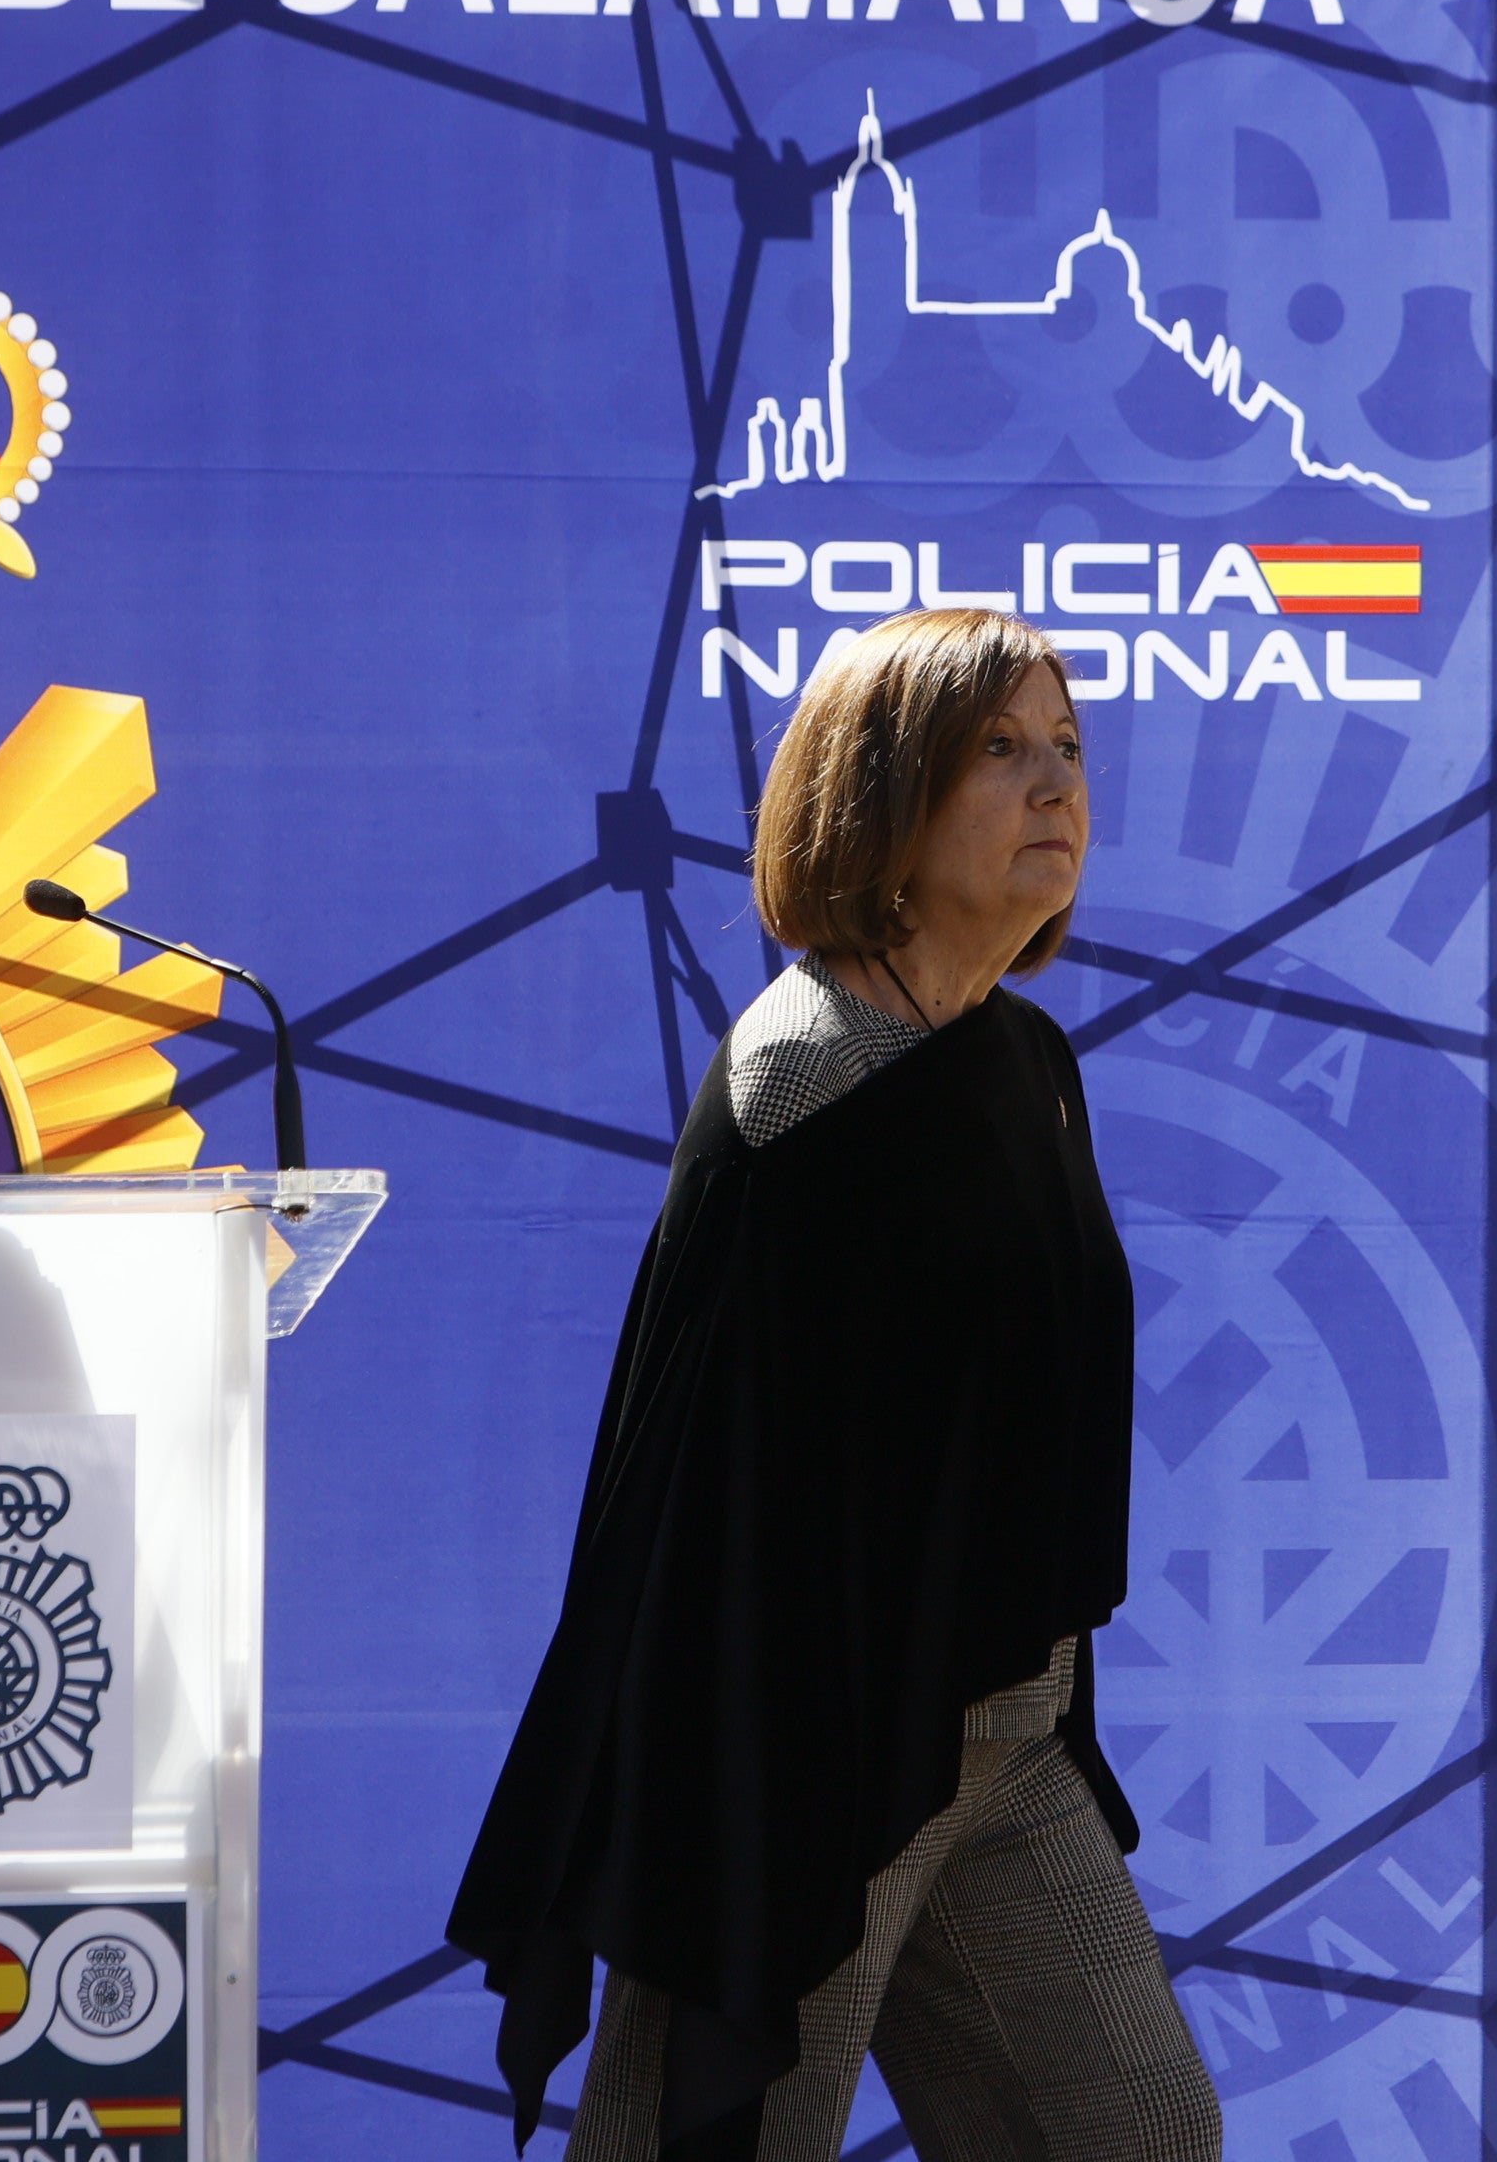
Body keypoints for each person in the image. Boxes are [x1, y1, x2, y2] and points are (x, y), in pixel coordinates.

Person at [450, 608, 1221, 2162]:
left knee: (1140, 2133)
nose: (1055, 783)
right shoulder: (804, 1084)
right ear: (883, 796)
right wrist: (731, 1816)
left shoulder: (1027, 1060)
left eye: (1067, 747)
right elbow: (707, 1501)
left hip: (1007, 1738)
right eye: (998, 749)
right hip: (797, 1765)